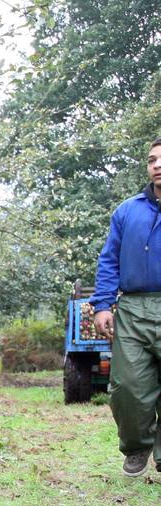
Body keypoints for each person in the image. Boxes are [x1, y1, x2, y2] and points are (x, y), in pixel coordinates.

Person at [90, 138, 161, 477]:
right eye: (152, 160)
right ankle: (136, 448)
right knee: (128, 387)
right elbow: (109, 260)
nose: (157, 165)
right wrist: (103, 304)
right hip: (132, 309)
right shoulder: (127, 211)